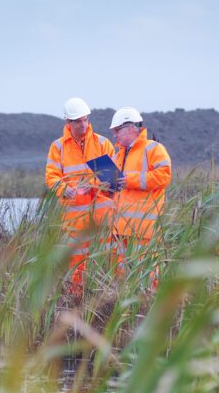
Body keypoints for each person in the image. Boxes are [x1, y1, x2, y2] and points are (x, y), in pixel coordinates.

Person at [45, 98, 115, 295]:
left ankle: (109, 296)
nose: (83, 125)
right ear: (68, 122)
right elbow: (51, 176)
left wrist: (94, 186)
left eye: (85, 120)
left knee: (109, 255)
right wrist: (62, 187)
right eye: (77, 121)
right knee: (77, 260)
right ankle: (77, 299)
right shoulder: (58, 147)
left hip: (102, 214)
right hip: (74, 215)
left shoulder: (102, 143)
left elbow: (112, 181)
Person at [109, 107, 172, 287]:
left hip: (143, 230)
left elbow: (164, 177)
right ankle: (125, 312)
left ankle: (149, 311)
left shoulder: (154, 148)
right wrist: (107, 184)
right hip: (120, 230)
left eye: (117, 130)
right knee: (122, 280)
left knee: (147, 277)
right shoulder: (118, 153)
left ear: (131, 128)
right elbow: (117, 186)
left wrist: (129, 179)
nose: (114, 134)